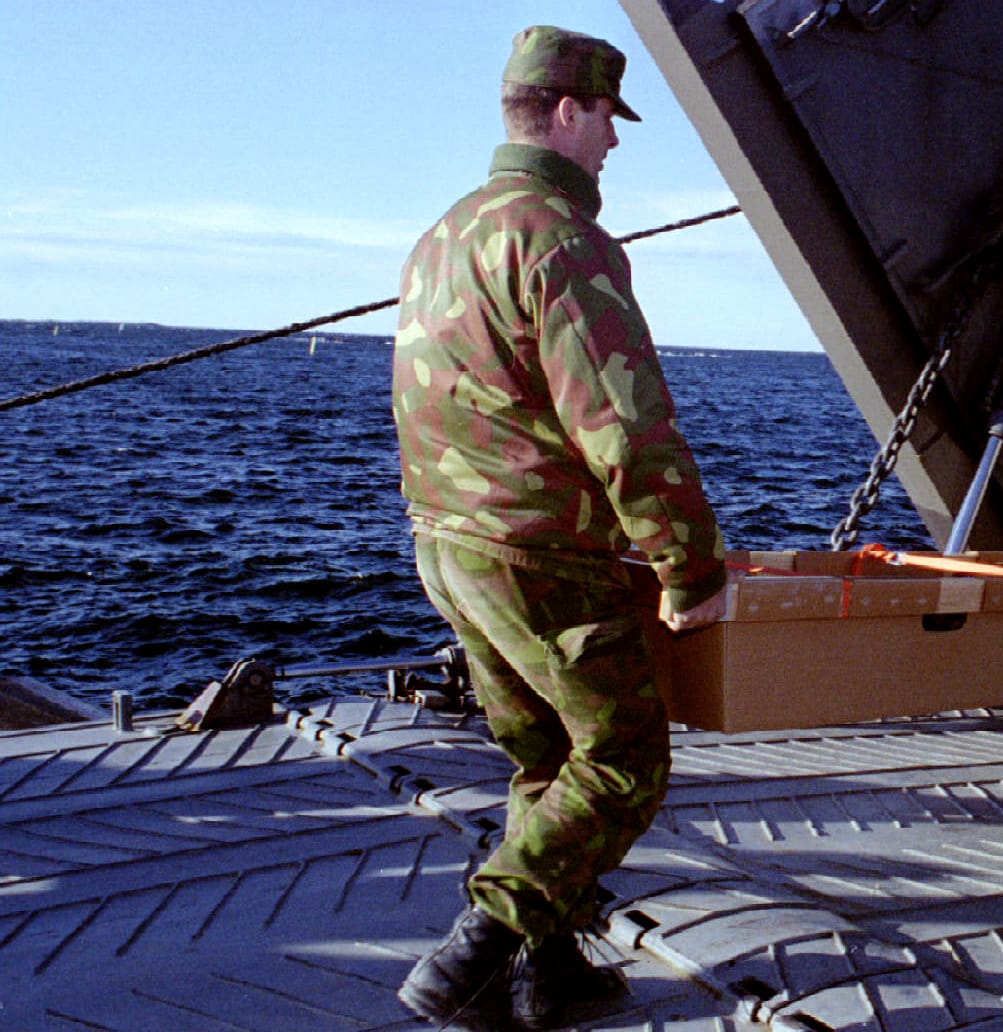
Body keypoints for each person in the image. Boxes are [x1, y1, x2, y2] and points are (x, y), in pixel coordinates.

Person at [391, 25, 728, 1030]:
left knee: (547, 762)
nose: (616, 145)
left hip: (449, 546)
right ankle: (477, 950)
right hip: (536, 554)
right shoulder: (562, 238)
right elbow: (625, 422)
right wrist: (687, 566)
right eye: (609, 122)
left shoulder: (447, 232)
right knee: (625, 755)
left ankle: (548, 974)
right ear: (569, 112)